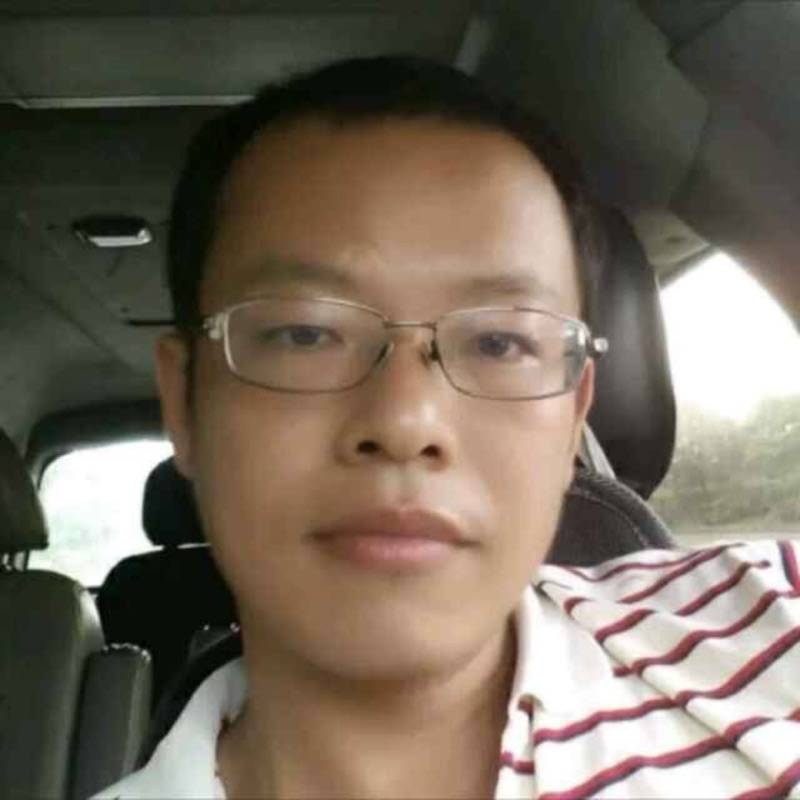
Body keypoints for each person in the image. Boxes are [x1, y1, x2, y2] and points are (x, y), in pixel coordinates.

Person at [94, 56, 800, 799]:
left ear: (573, 416)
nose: (405, 421)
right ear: (183, 403)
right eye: (306, 334)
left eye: (498, 342)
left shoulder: (772, 620)